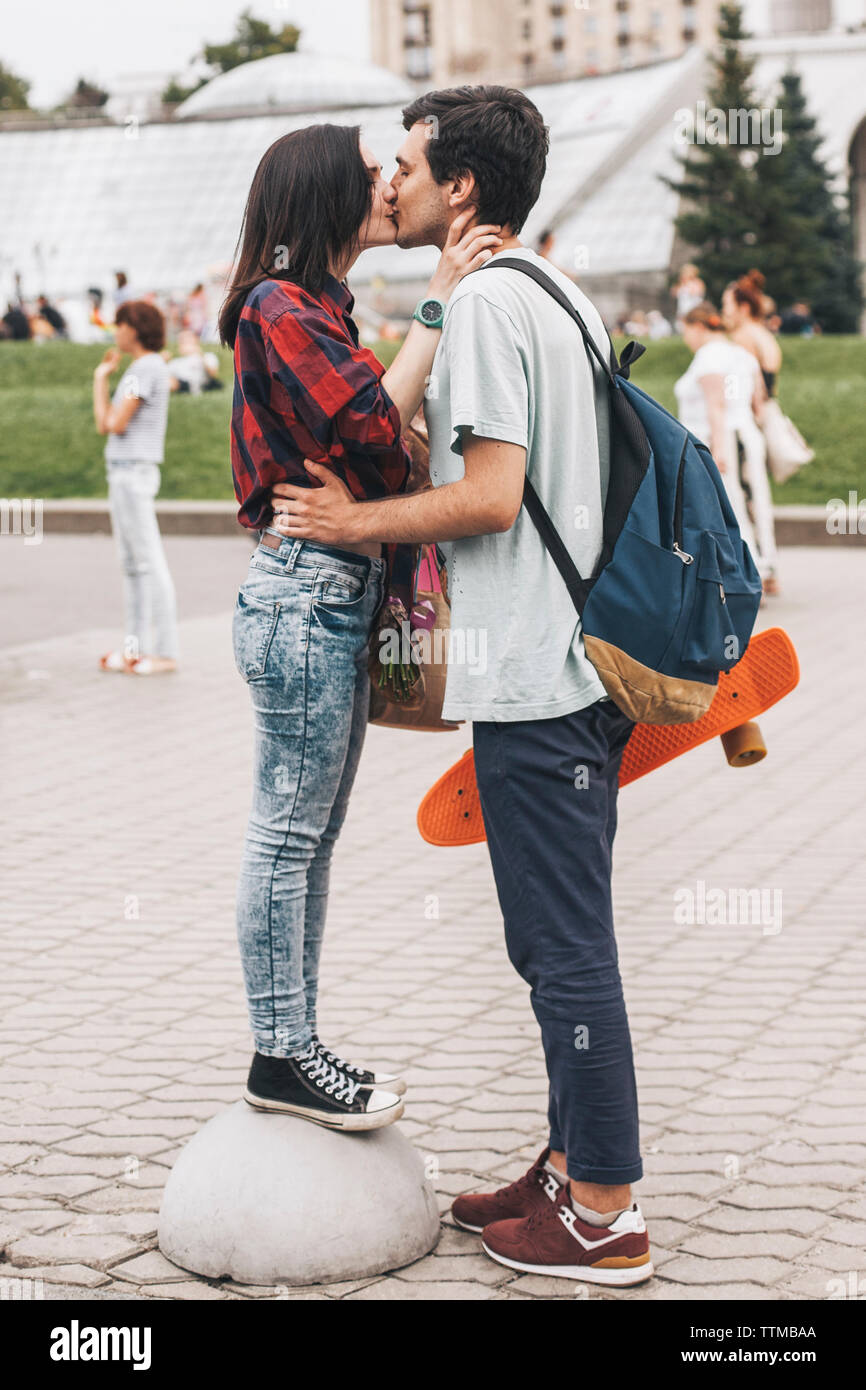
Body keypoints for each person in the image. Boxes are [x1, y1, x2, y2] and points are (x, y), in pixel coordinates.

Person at [271, 86, 654, 1286]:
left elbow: (489, 494)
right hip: (574, 661)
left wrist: (354, 518)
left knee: (564, 948)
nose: (391, 178)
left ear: (461, 189)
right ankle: (566, 1160)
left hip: (536, 681)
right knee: (554, 940)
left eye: (408, 161)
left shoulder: (489, 301)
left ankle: (602, 1209)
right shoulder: (548, 289)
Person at [222, 123, 502, 1132]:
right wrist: (436, 299)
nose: (391, 185)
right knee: (287, 834)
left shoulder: (318, 310)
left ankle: (293, 1042)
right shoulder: (277, 307)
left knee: (312, 837)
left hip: (328, 590)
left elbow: (388, 458)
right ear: (321, 197)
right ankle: (279, 1053)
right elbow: (377, 432)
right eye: (373, 174)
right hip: (303, 592)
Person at [93, 300, 178, 675]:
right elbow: (106, 424)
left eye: (120, 324)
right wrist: (101, 379)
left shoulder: (146, 367)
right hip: (125, 472)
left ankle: (164, 651)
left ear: (134, 328)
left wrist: (102, 384)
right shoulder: (141, 368)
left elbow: (114, 423)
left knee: (147, 563)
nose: (116, 330)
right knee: (133, 565)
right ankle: (135, 648)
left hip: (132, 472)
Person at [674, 303, 766, 583]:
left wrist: (719, 449)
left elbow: (716, 405)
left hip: (714, 440)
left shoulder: (708, 356)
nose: (685, 338)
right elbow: (758, 404)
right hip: (744, 434)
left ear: (699, 326)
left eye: (686, 331)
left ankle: (745, 573)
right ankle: (763, 566)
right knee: (751, 503)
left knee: (730, 508)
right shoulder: (740, 354)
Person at [722, 271, 781, 593]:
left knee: (746, 498)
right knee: (759, 496)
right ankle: (768, 566)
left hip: (743, 427)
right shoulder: (763, 334)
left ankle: (760, 569)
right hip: (757, 426)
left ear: (743, 308)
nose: (723, 311)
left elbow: (749, 392)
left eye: (727, 304)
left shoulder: (744, 338)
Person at [166, 329, 221, 394]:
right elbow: (164, 376)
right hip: (180, 382)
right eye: (182, 341)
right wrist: (163, 361)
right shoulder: (175, 362)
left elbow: (213, 374)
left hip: (199, 383)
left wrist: (200, 354)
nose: (186, 344)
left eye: (188, 340)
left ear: (196, 341)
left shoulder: (207, 356)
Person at [672, 262, 706, 329]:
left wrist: (688, 285)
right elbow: (674, 293)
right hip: (682, 307)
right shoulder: (681, 284)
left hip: (693, 306)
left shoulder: (697, 282)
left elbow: (697, 293)